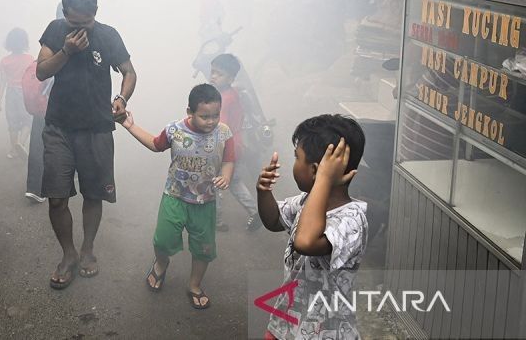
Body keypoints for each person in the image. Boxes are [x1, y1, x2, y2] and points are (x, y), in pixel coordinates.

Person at [36, 0, 137, 289]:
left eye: (87, 22)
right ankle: (68, 255)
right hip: (59, 127)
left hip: (96, 128)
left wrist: (122, 99)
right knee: (56, 198)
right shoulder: (55, 31)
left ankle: (88, 249)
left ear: (96, 13)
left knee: (94, 194)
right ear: (65, 13)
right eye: (75, 23)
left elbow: (129, 72)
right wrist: (67, 50)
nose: (81, 29)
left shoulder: (108, 35)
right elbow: (41, 72)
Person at [120, 83, 235, 309]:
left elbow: (229, 160)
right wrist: (130, 126)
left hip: (205, 202)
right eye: (204, 116)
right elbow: (155, 144)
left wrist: (226, 176)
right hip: (174, 196)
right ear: (189, 112)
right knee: (163, 240)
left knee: (204, 248)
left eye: (215, 115)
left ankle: (194, 285)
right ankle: (161, 264)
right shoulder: (175, 130)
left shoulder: (223, 133)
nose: (211, 121)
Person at [256, 114, 367, 339]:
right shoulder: (307, 201)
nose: (294, 164)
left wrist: (324, 179)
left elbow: (305, 242)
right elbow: (274, 220)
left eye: (298, 157)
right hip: (285, 324)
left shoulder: (352, 220)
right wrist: (263, 192)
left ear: (316, 170)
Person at [209, 54, 261, 232]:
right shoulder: (233, 93)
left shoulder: (223, 99)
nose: (214, 76)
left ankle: (215, 221)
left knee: (216, 182)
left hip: (224, 147)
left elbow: (220, 126)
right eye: (213, 72)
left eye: (219, 74)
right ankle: (255, 211)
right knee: (235, 181)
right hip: (237, 144)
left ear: (231, 78)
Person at [0, 28, 34, 159]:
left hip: (11, 93)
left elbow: (3, 81)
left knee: (13, 123)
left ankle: (14, 150)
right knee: (27, 121)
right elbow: (33, 79)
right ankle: (21, 144)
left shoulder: (5, 61)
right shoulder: (30, 59)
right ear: (25, 42)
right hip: (25, 93)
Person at [21, 59, 51, 203]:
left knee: (37, 147)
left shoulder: (40, 61)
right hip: (57, 112)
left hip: (40, 111)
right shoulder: (63, 59)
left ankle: (34, 189)